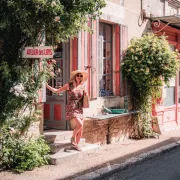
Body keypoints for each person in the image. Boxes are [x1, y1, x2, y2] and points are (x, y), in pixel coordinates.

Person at [46, 70, 88, 151]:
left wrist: (86, 94)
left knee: (81, 128)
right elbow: (57, 91)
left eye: (81, 76)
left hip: (79, 108)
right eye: (78, 75)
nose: (79, 77)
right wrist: (47, 87)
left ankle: (76, 145)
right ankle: (72, 139)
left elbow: (85, 97)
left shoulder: (82, 86)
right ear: (75, 76)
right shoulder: (69, 85)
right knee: (80, 125)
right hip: (71, 107)